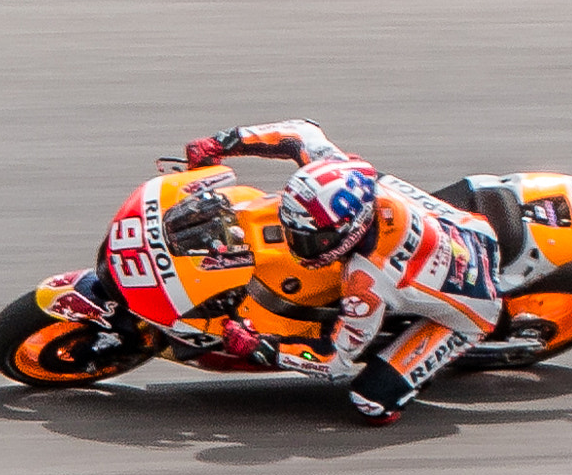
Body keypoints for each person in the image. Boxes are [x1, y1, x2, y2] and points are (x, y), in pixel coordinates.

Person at [180, 120, 503, 425]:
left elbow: (335, 361)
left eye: (310, 240)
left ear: (350, 231)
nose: (296, 245)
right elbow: (298, 133)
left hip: (474, 308)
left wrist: (264, 349)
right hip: (463, 227)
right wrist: (222, 142)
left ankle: (413, 369)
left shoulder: (366, 280)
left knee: (371, 403)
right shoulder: (341, 175)